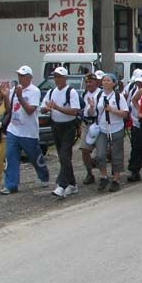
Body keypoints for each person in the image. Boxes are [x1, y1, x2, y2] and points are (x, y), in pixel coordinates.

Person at [0, 65, 49, 195]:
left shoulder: (34, 91)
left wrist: (20, 97)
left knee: (34, 157)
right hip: (13, 129)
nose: (20, 78)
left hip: (28, 132)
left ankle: (44, 176)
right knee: (11, 157)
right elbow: (8, 108)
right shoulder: (14, 90)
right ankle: (11, 185)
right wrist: (5, 96)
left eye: (23, 76)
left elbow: (30, 110)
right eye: (19, 76)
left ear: (29, 78)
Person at [41, 66, 81, 199]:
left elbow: (74, 111)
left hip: (69, 127)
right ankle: (72, 183)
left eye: (59, 77)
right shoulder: (51, 92)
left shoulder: (71, 92)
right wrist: (46, 109)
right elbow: (42, 108)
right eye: (55, 77)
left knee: (64, 154)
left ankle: (62, 185)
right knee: (62, 156)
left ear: (65, 78)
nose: (57, 79)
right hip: (56, 126)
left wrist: (57, 107)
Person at [90, 73, 129, 192]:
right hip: (102, 129)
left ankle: (116, 179)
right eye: (104, 80)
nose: (105, 82)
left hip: (116, 128)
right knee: (100, 154)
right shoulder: (99, 95)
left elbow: (125, 113)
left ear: (114, 83)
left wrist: (112, 110)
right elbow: (93, 113)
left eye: (108, 80)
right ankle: (104, 176)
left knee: (116, 154)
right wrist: (91, 107)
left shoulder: (118, 96)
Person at [125, 69, 142, 182]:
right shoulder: (132, 90)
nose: (140, 84)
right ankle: (134, 171)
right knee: (135, 148)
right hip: (135, 123)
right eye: (138, 82)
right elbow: (128, 105)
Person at [79, 73, 102, 184]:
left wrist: (92, 108)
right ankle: (89, 173)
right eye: (87, 82)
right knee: (84, 150)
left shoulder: (101, 94)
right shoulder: (84, 94)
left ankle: (104, 173)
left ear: (96, 82)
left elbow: (96, 111)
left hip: (97, 124)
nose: (88, 84)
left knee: (101, 150)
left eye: (91, 82)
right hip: (86, 124)